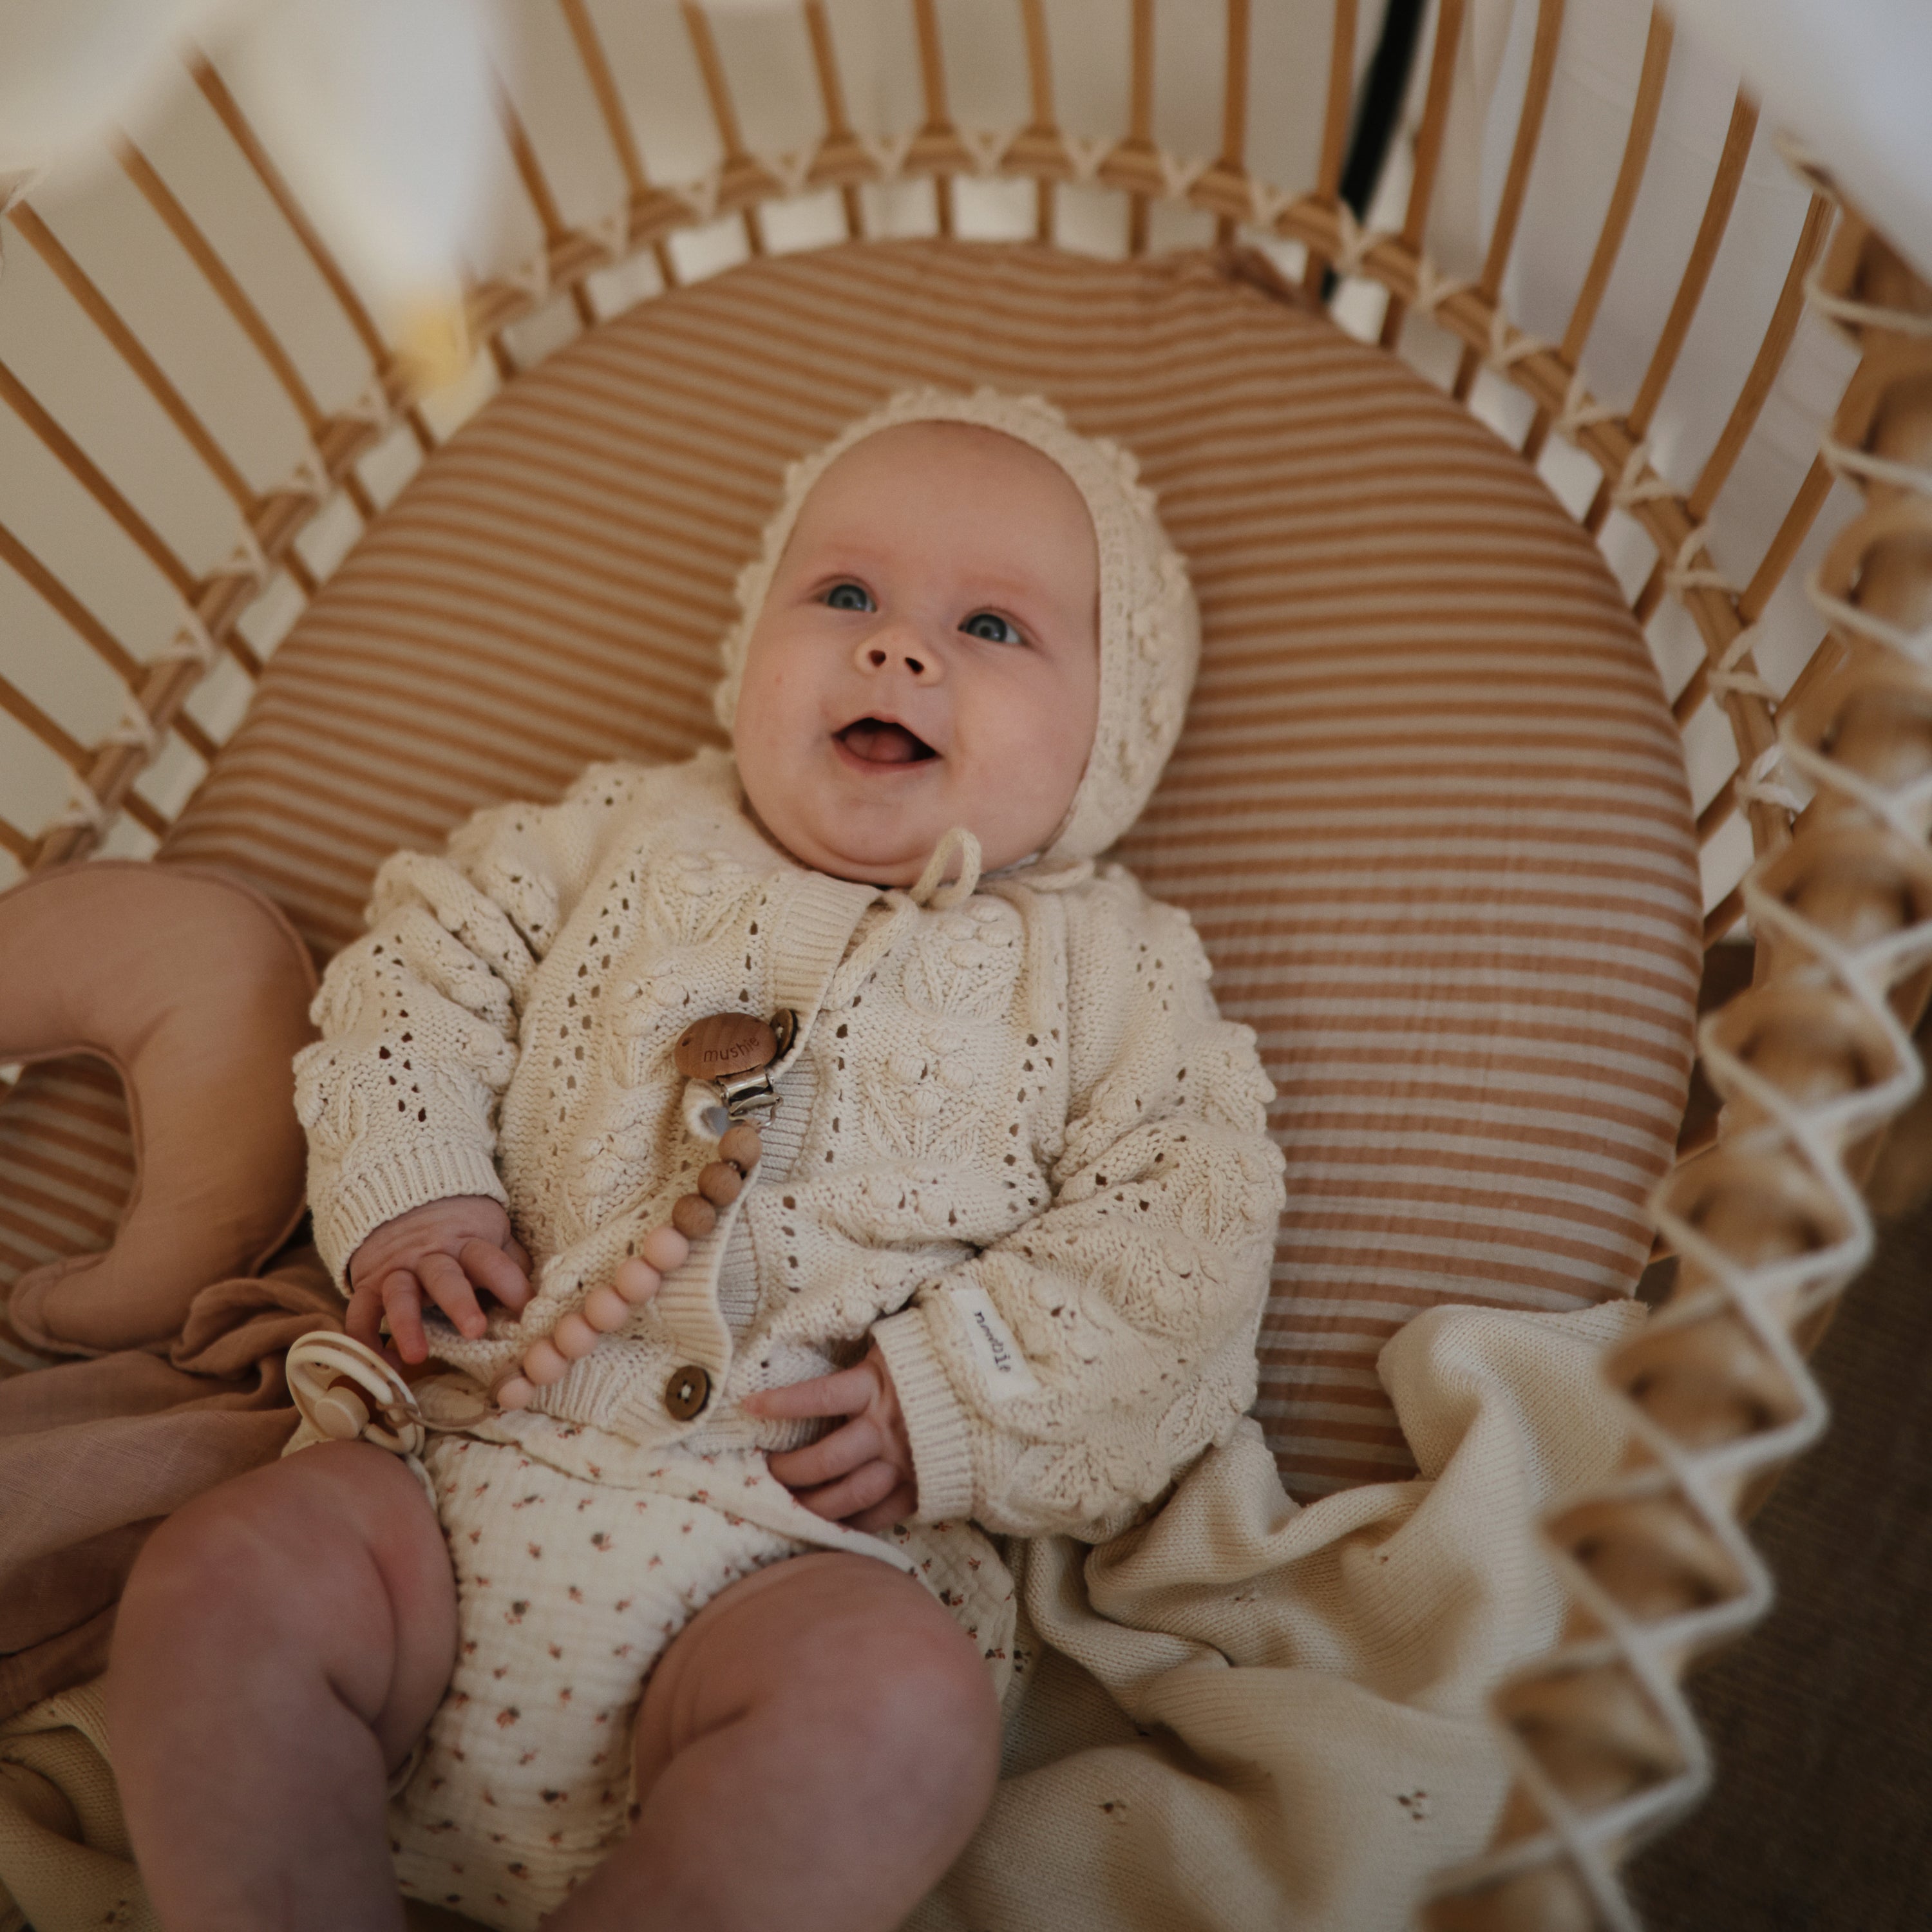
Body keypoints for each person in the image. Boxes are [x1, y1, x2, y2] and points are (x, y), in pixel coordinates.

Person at [104, 388, 1286, 1932]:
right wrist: (416, 1185)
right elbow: (418, 976)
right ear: (751, 651)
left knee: (895, 1720)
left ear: (1111, 736)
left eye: (992, 627)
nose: (900, 648)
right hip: (450, 1481)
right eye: (847, 595)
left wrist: (964, 1391)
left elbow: (1189, 1234)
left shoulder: (1111, 977)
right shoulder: (616, 837)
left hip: (798, 1567)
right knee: (221, 1579)